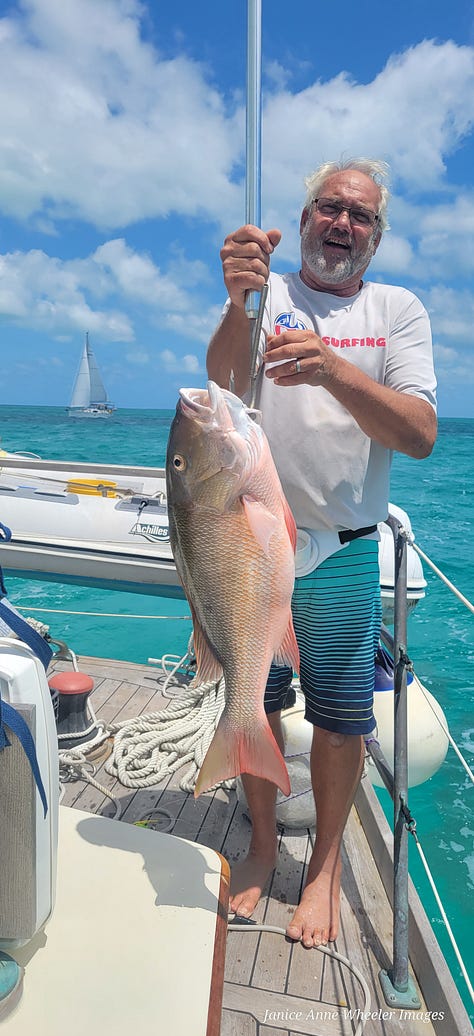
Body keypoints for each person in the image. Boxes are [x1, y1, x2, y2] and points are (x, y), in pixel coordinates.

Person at [206, 158, 437, 949]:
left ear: (377, 234)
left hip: (340, 550)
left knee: (342, 722)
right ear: (303, 218)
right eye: (329, 208)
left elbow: (419, 434)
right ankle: (263, 840)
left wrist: (334, 369)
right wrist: (240, 304)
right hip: (250, 540)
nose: (342, 223)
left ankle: (327, 866)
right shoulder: (266, 294)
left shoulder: (397, 310)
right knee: (255, 696)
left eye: (360, 215)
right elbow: (225, 385)